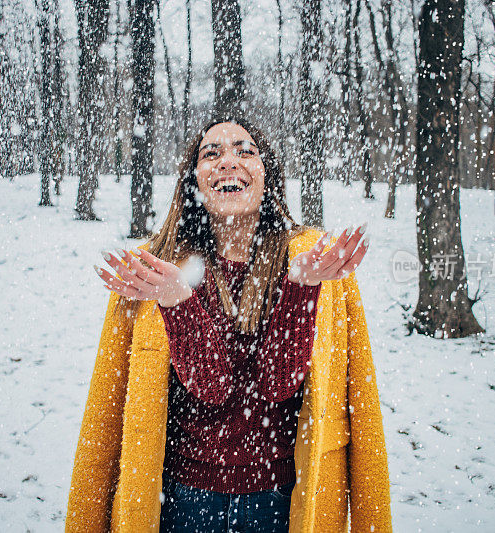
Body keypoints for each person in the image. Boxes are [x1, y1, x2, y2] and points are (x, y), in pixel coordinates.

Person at [65, 116, 392, 533]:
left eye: (245, 150)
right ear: (194, 181)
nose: (227, 162)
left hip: (281, 505)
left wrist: (301, 288)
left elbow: (280, 384)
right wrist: (176, 298)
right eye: (211, 153)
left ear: (266, 175)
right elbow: (116, 416)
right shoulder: (155, 269)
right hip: (180, 503)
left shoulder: (315, 262)